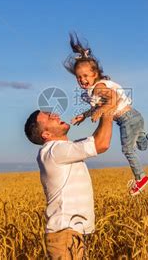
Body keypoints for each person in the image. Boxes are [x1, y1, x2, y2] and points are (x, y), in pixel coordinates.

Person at [64, 33, 148, 196]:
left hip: (127, 119)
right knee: (142, 145)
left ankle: (141, 178)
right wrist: (84, 115)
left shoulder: (99, 87)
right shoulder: (90, 93)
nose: (82, 80)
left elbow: (114, 98)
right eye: (79, 77)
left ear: (95, 75)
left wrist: (101, 111)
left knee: (127, 150)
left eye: (86, 76)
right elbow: (98, 106)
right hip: (133, 117)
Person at [24, 109, 114, 259]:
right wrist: (109, 108)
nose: (55, 115)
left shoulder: (61, 150)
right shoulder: (54, 151)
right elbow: (101, 143)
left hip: (70, 233)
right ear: (46, 135)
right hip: (65, 233)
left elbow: (96, 139)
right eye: (48, 117)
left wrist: (98, 109)